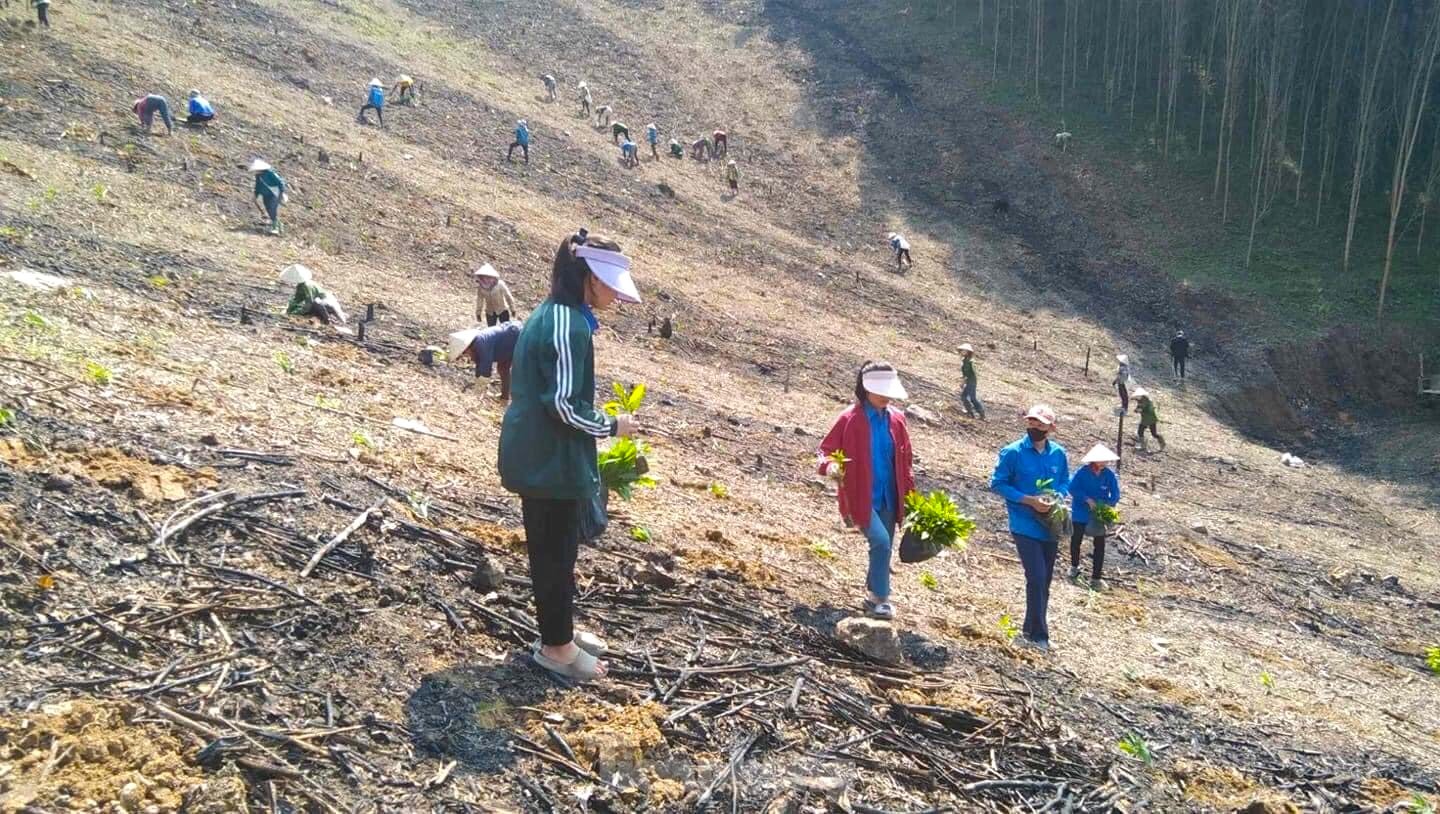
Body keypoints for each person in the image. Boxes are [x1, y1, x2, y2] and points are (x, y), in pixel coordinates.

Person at [498, 232, 643, 682]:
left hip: (547, 456)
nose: (616, 295)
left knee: (555, 552)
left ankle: (558, 636)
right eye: (610, 284)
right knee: (554, 555)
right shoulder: (567, 324)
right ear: (588, 279)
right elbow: (561, 403)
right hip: (547, 459)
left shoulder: (563, 317)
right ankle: (556, 650)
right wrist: (611, 426)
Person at [817, 362, 915, 621]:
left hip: (889, 495)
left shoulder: (897, 419)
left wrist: (910, 493)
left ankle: (872, 596)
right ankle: (882, 599)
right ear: (865, 388)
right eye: (880, 391)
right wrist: (830, 466)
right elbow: (825, 450)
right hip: (860, 495)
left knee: (884, 545)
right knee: (880, 541)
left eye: (888, 391)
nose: (886, 396)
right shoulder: (850, 418)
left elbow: (906, 459)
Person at [990, 404, 1069, 651]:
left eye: (1041, 424)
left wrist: (1057, 497)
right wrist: (1028, 500)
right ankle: (1039, 635)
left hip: (1049, 524)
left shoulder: (1058, 453)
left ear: (1051, 428)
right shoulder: (1012, 452)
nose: (1035, 427)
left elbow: (1065, 481)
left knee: (1044, 580)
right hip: (1024, 523)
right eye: (1032, 422)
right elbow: (998, 483)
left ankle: (1030, 627)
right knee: (1035, 575)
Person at [1068, 444, 1120, 590]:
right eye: (1101, 460)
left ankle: (1096, 577)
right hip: (1080, 512)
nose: (1104, 463)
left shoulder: (1109, 475)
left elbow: (1115, 494)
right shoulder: (1082, 473)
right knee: (1076, 540)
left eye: (1106, 460)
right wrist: (1086, 499)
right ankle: (1074, 566)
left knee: (1099, 545)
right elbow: (1072, 488)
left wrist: (1107, 505)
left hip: (1098, 515)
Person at [450, 321, 520, 401]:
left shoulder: (481, 343)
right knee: (503, 368)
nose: (466, 355)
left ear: (467, 347)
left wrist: (481, 385)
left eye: (464, 352)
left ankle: (507, 398)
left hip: (512, 337)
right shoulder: (476, 345)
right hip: (506, 340)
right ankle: (504, 397)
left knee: (504, 369)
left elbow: (486, 365)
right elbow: (478, 363)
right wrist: (478, 379)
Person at [281, 265, 346, 324]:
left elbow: (310, 302)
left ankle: (327, 320)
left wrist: (299, 312)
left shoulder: (307, 286)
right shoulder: (300, 286)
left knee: (315, 302)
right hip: (321, 304)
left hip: (326, 302)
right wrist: (290, 309)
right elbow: (297, 300)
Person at [250, 159, 286, 235]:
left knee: (272, 209)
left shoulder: (270, 173)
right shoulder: (258, 176)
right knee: (269, 210)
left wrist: (282, 192)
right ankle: (279, 226)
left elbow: (280, 182)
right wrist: (255, 195)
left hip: (274, 193)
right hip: (265, 195)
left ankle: (275, 227)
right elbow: (258, 186)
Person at [959, 343, 985, 419]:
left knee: (971, 398)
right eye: (962, 350)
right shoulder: (965, 361)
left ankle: (979, 412)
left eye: (964, 351)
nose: (962, 352)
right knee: (966, 397)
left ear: (968, 352)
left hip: (971, 381)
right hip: (969, 381)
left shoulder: (970, 362)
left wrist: (964, 381)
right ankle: (971, 412)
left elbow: (971, 373)